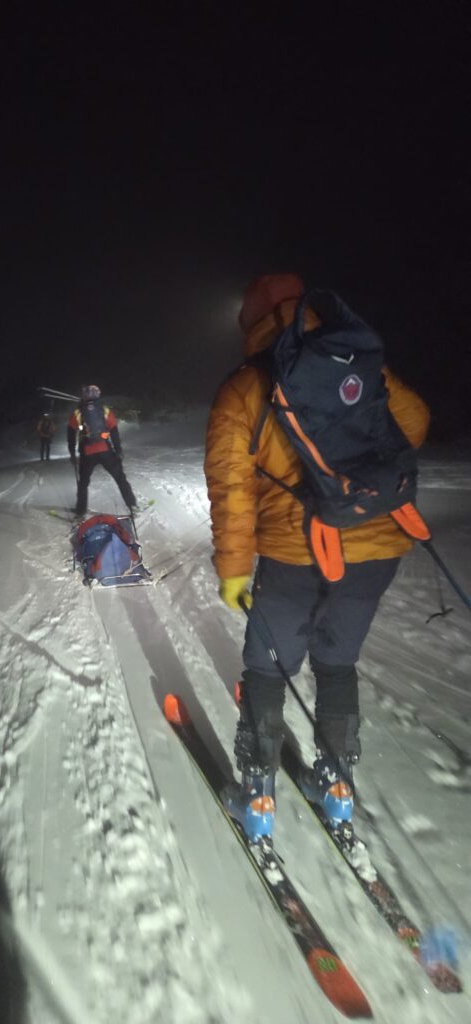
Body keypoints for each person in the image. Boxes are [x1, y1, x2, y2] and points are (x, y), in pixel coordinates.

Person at [204, 273, 430, 841]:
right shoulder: (352, 362)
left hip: (296, 555)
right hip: (377, 544)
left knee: (267, 665)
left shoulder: (244, 387)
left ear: (250, 322)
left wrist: (233, 569)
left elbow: (232, 488)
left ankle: (257, 796)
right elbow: (416, 424)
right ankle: (335, 785)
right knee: (337, 663)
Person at [67, 385, 137, 516]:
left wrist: (72, 453)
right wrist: (118, 449)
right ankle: (132, 505)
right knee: (120, 479)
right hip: (105, 450)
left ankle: (80, 511)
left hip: (87, 453)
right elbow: (114, 430)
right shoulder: (104, 410)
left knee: (83, 483)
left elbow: (71, 434)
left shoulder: (78, 413)